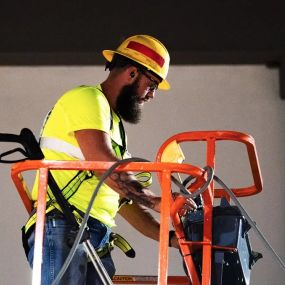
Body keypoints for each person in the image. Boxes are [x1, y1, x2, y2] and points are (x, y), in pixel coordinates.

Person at [22, 34, 197, 284]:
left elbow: (122, 201)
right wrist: (156, 201)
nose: (152, 95)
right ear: (133, 73)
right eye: (153, 84)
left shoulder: (113, 127)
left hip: (91, 234)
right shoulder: (87, 99)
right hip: (64, 225)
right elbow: (102, 163)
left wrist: (169, 238)